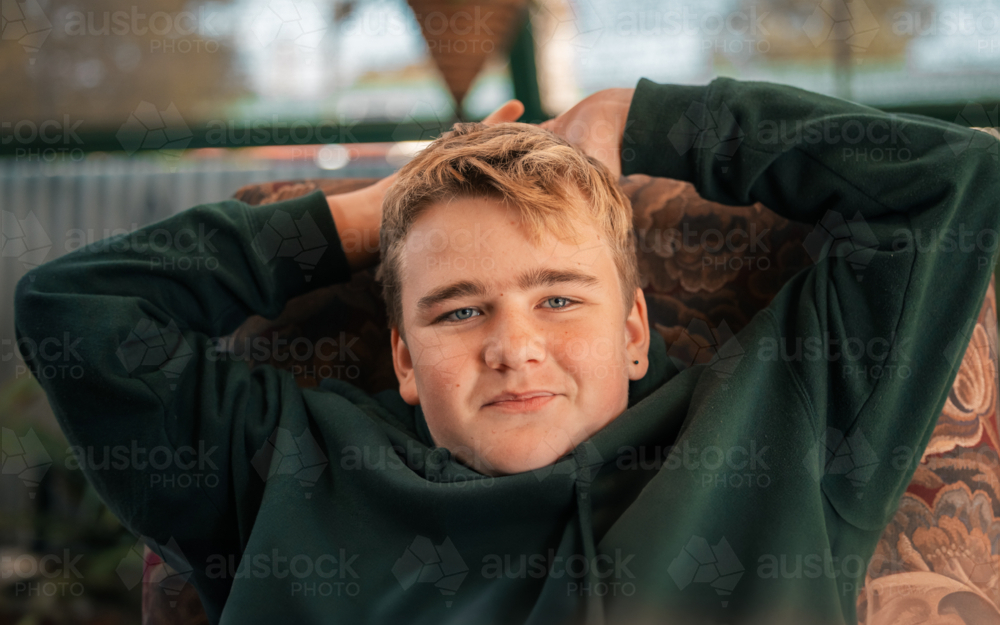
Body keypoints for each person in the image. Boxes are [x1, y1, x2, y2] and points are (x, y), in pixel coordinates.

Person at [14, 77, 1000, 625]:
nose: (513, 349)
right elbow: (76, 312)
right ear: (401, 359)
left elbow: (953, 182)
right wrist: (370, 215)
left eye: (559, 297)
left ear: (630, 331)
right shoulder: (283, 467)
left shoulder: (782, 417)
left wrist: (639, 121)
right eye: (456, 312)